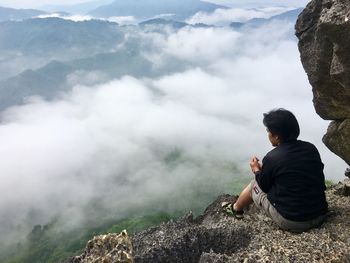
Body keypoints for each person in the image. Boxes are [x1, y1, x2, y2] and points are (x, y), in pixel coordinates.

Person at [223, 108, 328, 233]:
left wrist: (256, 170)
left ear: (276, 136)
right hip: (321, 214)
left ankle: (236, 209)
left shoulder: (273, 157)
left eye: (268, 131)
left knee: (253, 185)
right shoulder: (310, 148)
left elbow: (264, 186)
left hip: (294, 222)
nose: (268, 134)